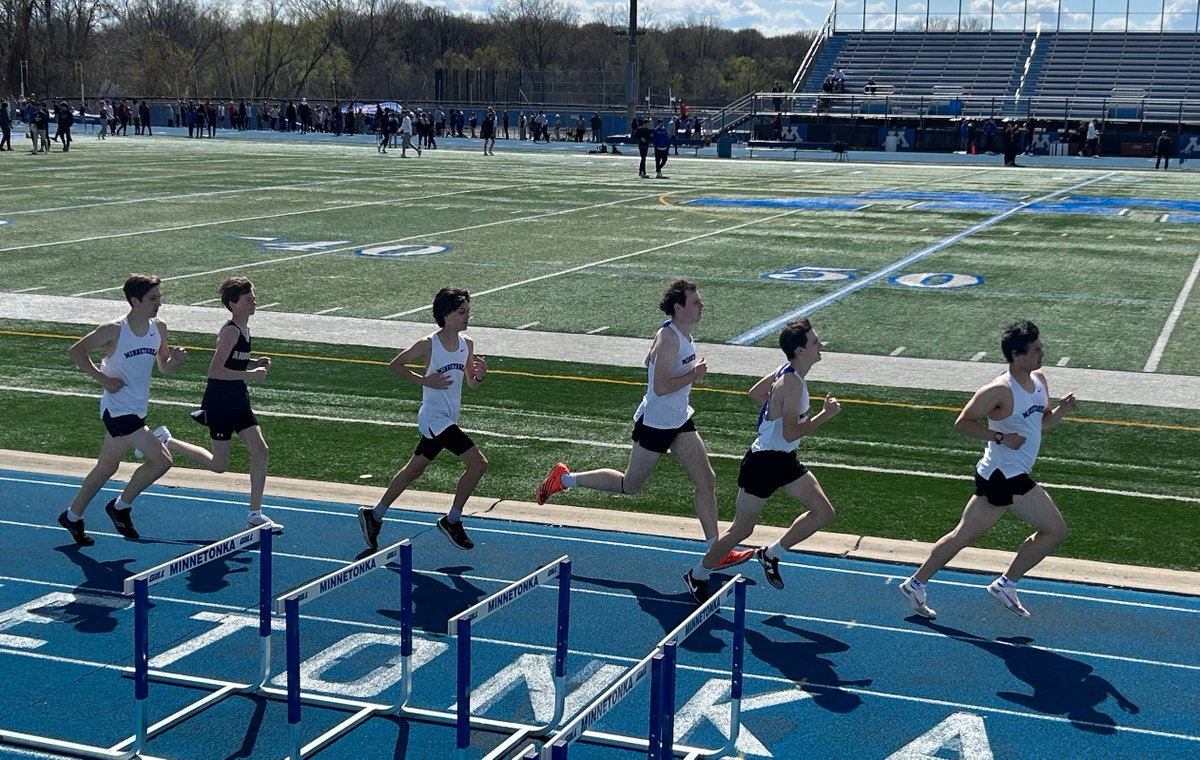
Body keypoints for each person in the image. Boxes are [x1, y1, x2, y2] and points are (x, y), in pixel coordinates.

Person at [535, 280, 753, 572]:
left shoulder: (681, 335)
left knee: (706, 479)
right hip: (655, 424)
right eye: (696, 302)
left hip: (679, 420)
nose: (702, 306)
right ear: (679, 308)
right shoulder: (670, 337)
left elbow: (650, 363)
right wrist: (693, 375)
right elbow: (661, 387)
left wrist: (668, 367)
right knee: (630, 485)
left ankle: (715, 550)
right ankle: (563, 480)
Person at [899, 321, 1077, 619]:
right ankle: (1006, 583)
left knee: (962, 535)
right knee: (1055, 530)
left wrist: (1061, 411)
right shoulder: (998, 390)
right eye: (1035, 349)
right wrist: (1000, 437)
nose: (1042, 353)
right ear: (1017, 355)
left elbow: (1040, 424)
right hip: (1004, 475)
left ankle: (915, 583)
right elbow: (963, 423)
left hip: (1000, 473)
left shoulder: (1040, 381)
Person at [684, 319, 840, 604]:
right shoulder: (791, 381)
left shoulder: (787, 372)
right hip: (764, 463)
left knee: (823, 512)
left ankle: (771, 554)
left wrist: (774, 408)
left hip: (784, 460)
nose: (821, 346)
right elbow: (791, 430)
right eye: (815, 341)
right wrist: (824, 415)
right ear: (801, 350)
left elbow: (756, 394)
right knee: (741, 529)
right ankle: (698, 573)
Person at [58, 274, 188, 546]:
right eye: (153, 299)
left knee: (107, 467)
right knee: (162, 460)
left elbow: (163, 365)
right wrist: (103, 379)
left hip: (137, 408)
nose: (159, 304)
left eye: (159, 298)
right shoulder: (114, 329)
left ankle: (72, 515)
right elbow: (76, 352)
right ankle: (120, 507)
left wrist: (174, 360)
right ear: (135, 301)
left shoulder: (159, 327)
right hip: (118, 410)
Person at [358, 288, 488, 551]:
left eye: (468, 312)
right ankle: (452, 520)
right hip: (433, 418)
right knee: (478, 464)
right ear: (446, 314)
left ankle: (374, 515)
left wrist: (480, 375)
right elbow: (395, 364)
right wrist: (424, 380)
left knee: (414, 469)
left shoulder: (467, 344)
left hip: (449, 418)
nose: (467, 317)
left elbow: (471, 383)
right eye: (462, 312)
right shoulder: (429, 343)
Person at [160, 277, 282, 532]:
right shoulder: (230, 331)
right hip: (220, 401)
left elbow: (233, 363)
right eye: (247, 300)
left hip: (238, 398)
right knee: (219, 465)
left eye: (253, 298)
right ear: (233, 304)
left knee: (261, 450)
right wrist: (251, 374)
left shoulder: (245, 329)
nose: (253, 303)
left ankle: (255, 513)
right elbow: (215, 371)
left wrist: (252, 363)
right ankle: (167, 441)